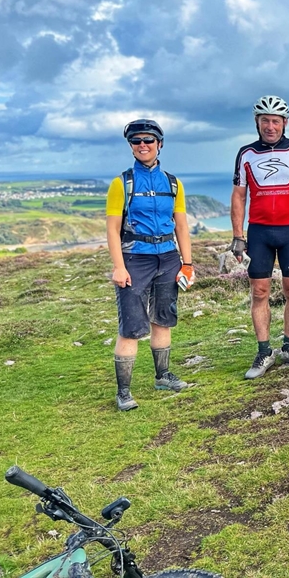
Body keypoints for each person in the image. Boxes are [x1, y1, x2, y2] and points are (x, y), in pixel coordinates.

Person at [230, 95, 289, 379]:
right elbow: (239, 196)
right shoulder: (246, 153)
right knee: (259, 292)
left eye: (275, 121)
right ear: (257, 122)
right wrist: (237, 235)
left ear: (285, 122)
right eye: (265, 121)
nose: (270, 126)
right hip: (259, 232)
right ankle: (263, 351)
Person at [106, 119, 194, 411]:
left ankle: (162, 375)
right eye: (136, 141)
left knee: (163, 318)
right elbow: (112, 228)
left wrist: (188, 263)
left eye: (148, 140)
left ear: (159, 143)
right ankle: (123, 391)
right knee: (131, 326)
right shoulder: (122, 183)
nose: (143, 145)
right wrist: (118, 267)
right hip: (135, 259)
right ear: (130, 146)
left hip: (168, 257)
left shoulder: (173, 182)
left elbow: (181, 225)